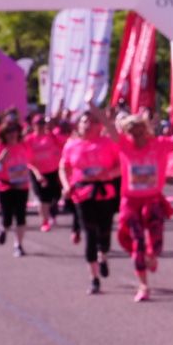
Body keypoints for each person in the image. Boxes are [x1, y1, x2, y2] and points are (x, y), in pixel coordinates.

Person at [116, 113, 173, 302]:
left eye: (140, 131)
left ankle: (152, 256)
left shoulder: (159, 144)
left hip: (152, 200)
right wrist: (92, 106)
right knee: (137, 243)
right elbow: (111, 129)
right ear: (127, 134)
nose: (137, 137)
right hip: (130, 201)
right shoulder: (124, 145)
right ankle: (143, 286)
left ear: (146, 130)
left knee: (156, 243)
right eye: (132, 133)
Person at [59, 110, 122, 295]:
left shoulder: (108, 143)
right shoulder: (71, 145)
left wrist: (108, 174)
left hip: (105, 192)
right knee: (90, 234)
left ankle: (103, 255)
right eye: (84, 122)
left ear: (99, 126)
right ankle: (94, 278)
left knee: (104, 230)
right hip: (82, 193)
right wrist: (66, 186)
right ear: (78, 125)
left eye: (92, 122)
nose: (88, 125)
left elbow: (122, 165)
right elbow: (63, 166)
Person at [0, 121, 33, 256]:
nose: (12, 134)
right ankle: (3, 228)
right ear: (4, 134)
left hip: (22, 186)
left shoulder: (24, 145)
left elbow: (31, 162)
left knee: (21, 216)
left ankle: (18, 245)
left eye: (15, 131)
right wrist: (1, 160)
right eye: (9, 131)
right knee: (7, 217)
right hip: (5, 186)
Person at [26, 116, 64, 232]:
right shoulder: (29, 140)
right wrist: (37, 174)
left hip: (53, 171)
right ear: (33, 126)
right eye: (38, 124)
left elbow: (63, 147)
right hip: (37, 173)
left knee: (55, 196)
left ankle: (52, 210)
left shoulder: (52, 137)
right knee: (43, 198)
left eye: (43, 124)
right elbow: (27, 160)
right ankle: (45, 221)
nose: (41, 126)